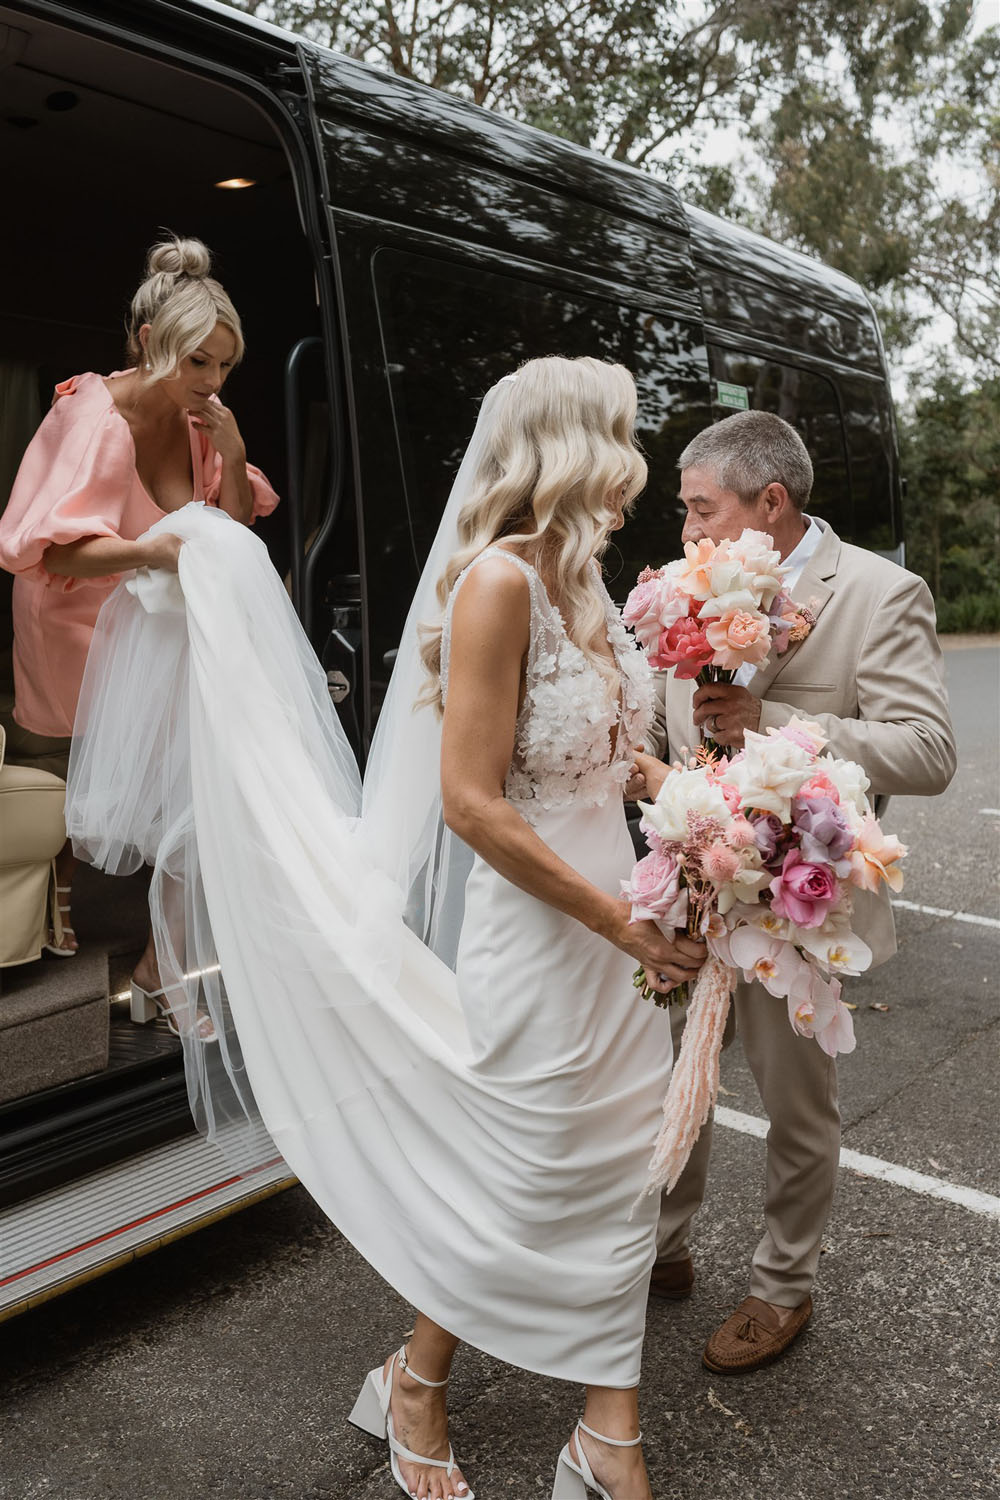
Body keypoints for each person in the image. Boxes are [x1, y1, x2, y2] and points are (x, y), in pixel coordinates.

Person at [66, 358, 708, 1500]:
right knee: (521, 1168)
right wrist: (621, 923)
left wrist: (705, 814)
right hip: (556, 930)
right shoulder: (498, 587)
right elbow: (472, 803)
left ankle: (607, 1434)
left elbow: (610, 751)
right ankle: (418, 1384)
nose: (637, 460)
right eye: (621, 434)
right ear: (573, 446)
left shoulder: (590, 584)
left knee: (619, 1169)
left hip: (628, 926)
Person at [635, 409, 956, 1375]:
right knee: (662, 1084)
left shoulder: (877, 592)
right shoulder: (677, 585)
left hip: (796, 906)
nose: (686, 532)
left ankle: (783, 1286)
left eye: (702, 510)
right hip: (688, 884)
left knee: (793, 1105)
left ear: (769, 503)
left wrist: (767, 719)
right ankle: (660, 1248)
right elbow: (659, 729)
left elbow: (929, 751)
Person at [0, 235, 278, 1022]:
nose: (213, 382)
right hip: (81, 631)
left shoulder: (204, 424)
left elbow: (230, 528)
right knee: (182, 793)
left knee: (212, 787)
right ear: (152, 342)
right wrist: (154, 550)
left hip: (158, 636)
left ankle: (162, 966)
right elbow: (49, 547)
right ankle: (152, 967)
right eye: (198, 362)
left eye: (224, 365)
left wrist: (233, 448)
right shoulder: (90, 416)